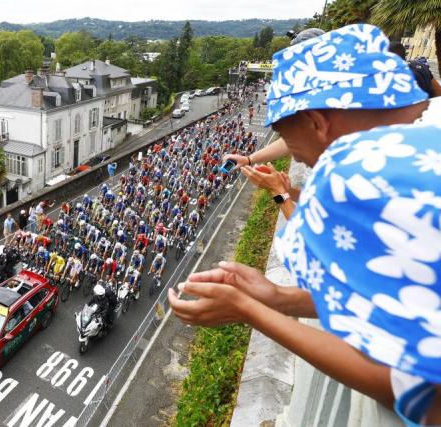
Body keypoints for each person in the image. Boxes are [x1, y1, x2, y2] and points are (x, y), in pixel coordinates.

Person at [169, 24, 441, 425]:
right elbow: (387, 299)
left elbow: (419, 392)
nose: (310, 168)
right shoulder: (422, 135)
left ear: (318, 122)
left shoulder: (362, 174)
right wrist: (278, 298)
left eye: (307, 161)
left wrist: (251, 311)